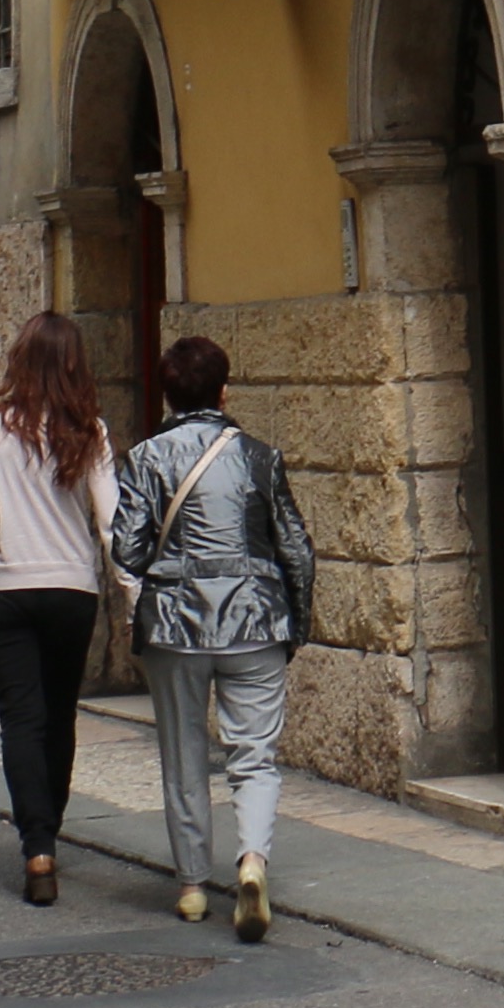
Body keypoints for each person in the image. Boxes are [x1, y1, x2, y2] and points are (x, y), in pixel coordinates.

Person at [104, 333, 315, 946]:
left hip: (175, 627)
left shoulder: (146, 458)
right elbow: (296, 550)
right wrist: (296, 623)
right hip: (256, 620)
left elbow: (127, 549)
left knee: (184, 755)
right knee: (254, 756)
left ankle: (193, 886)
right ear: (224, 392)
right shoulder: (260, 457)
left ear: (168, 396)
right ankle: (251, 862)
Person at [0, 311, 127, 907]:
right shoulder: (89, 431)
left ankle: (36, 848)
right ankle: (49, 828)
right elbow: (112, 524)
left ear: (19, 360)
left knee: (20, 719)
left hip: (0, 594)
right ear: (75, 365)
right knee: (59, 715)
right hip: (70, 594)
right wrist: (136, 594)